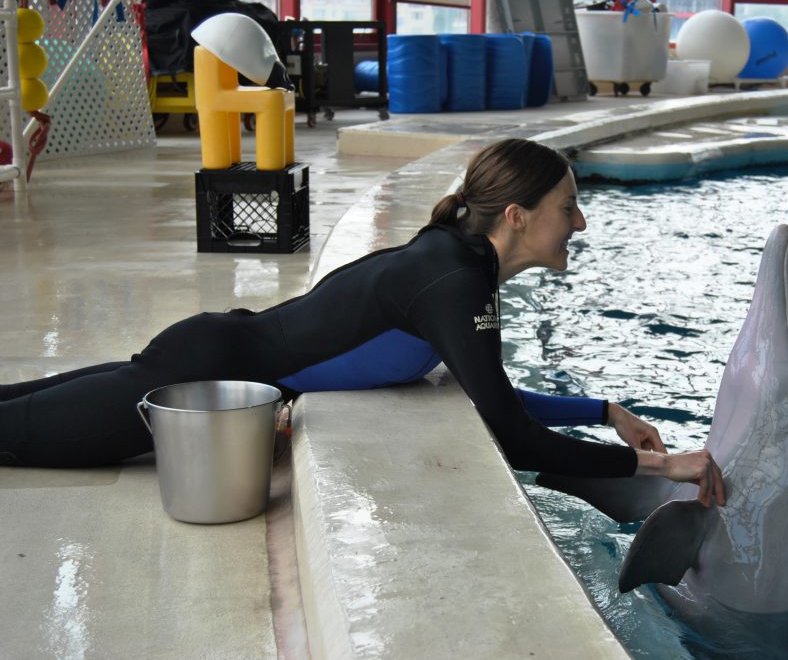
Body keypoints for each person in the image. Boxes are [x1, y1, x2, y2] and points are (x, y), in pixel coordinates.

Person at [0, 138, 726, 507]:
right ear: (518, 215)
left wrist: (604, 409)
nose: (581, 220)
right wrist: (665, 466)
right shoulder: (456, 281)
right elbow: (512, 434)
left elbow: (489, 391)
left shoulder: (459, 265)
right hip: (200, 379)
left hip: (209, 352)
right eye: (568, 206)